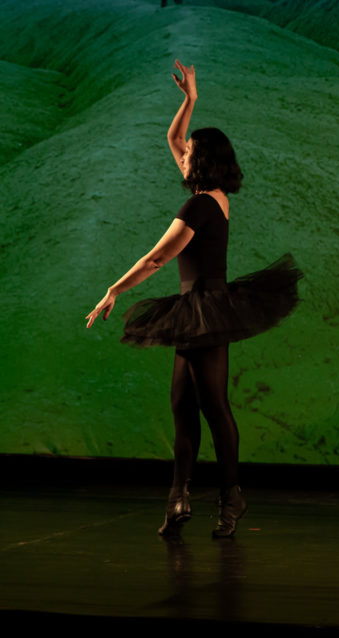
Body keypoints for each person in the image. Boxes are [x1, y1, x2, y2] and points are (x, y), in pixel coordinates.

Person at [86, 60, 301, 538]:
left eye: (190, 153)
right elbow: (174, 138)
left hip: (205, 308)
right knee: (184, 405)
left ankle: (231, 497)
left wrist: (114, 290)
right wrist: (190, 100)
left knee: (213, 406)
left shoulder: (200, 205)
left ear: (201, 162)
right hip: (199, 309)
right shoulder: (215, 195)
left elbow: (156, 259)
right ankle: (179, 497)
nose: (181, 155)